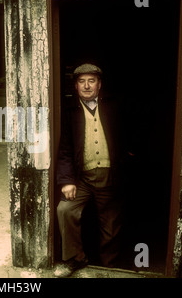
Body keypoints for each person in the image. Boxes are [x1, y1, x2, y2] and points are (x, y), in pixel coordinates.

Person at [54, 63, 129, 277]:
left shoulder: (114, 106)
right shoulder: (69, 111)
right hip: (83, 179)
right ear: (76, 86)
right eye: (81, 81)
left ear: (99, 84)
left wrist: (129, 156)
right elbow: (66, 149)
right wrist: (67, 180)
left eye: (91, 81)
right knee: (65, 209)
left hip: (111, 176)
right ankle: (75, 259)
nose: (87, 86)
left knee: (111, 225)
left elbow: (131, 132)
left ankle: (109, 266)